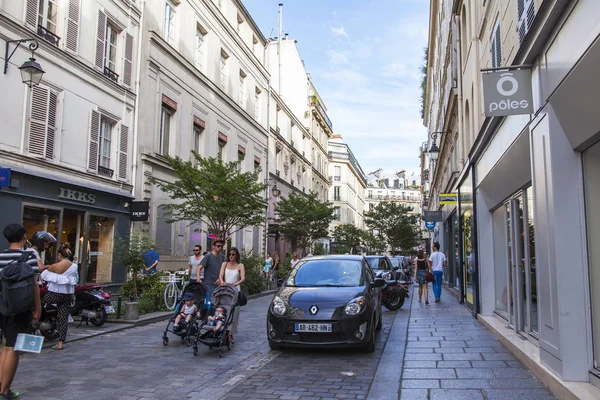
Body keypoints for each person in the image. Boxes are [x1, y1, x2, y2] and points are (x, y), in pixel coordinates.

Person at [0, 224, 42, 399]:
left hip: (3, 306)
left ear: (6, 239)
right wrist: (38, 309)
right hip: (21, 308)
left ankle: (1, 387)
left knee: (4, 347)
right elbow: (34, 286)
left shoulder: (1, 256)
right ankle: (4, 391)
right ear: (24, 236)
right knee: (13, 349)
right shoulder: (29, 256)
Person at [41, 243, 78, 350]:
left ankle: (36, 325)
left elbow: (44, 274)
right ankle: (60, 343)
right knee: (63, 319)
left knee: (38, 302)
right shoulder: (74, 266)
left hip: (55, 295)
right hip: (67, 295)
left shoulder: (56, 266)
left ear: (59, 255)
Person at [219, 247, 245, 343]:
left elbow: (243, 278)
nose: (231, 256)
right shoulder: (224, 264)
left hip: (235, 290)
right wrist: (222, 282)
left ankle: (230, 333)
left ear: (236, 255)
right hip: (226, 290)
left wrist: (237, 283)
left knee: (234, 313)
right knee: (224, 310)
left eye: (233, 254)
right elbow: (221, 275)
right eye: (229, 254)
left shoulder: (240, 266)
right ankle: (222, 329)